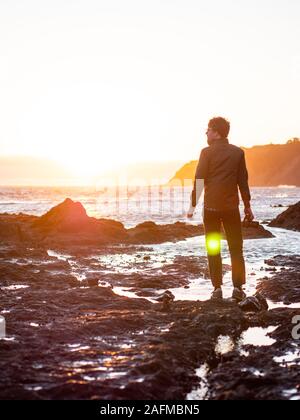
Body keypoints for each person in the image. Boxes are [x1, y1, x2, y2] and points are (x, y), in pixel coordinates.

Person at [187, 117, 254, 301]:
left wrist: (193, 204)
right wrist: (248, 206)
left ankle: (217, 289)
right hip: (231, 208)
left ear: (216, 132)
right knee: (236, 249)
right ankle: (238, 289)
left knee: (213, 248)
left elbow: (199, 179)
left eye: (208, 130)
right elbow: (243, 182)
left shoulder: (206, 153)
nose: (206, 133)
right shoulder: (238, 153)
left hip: (211, 209)